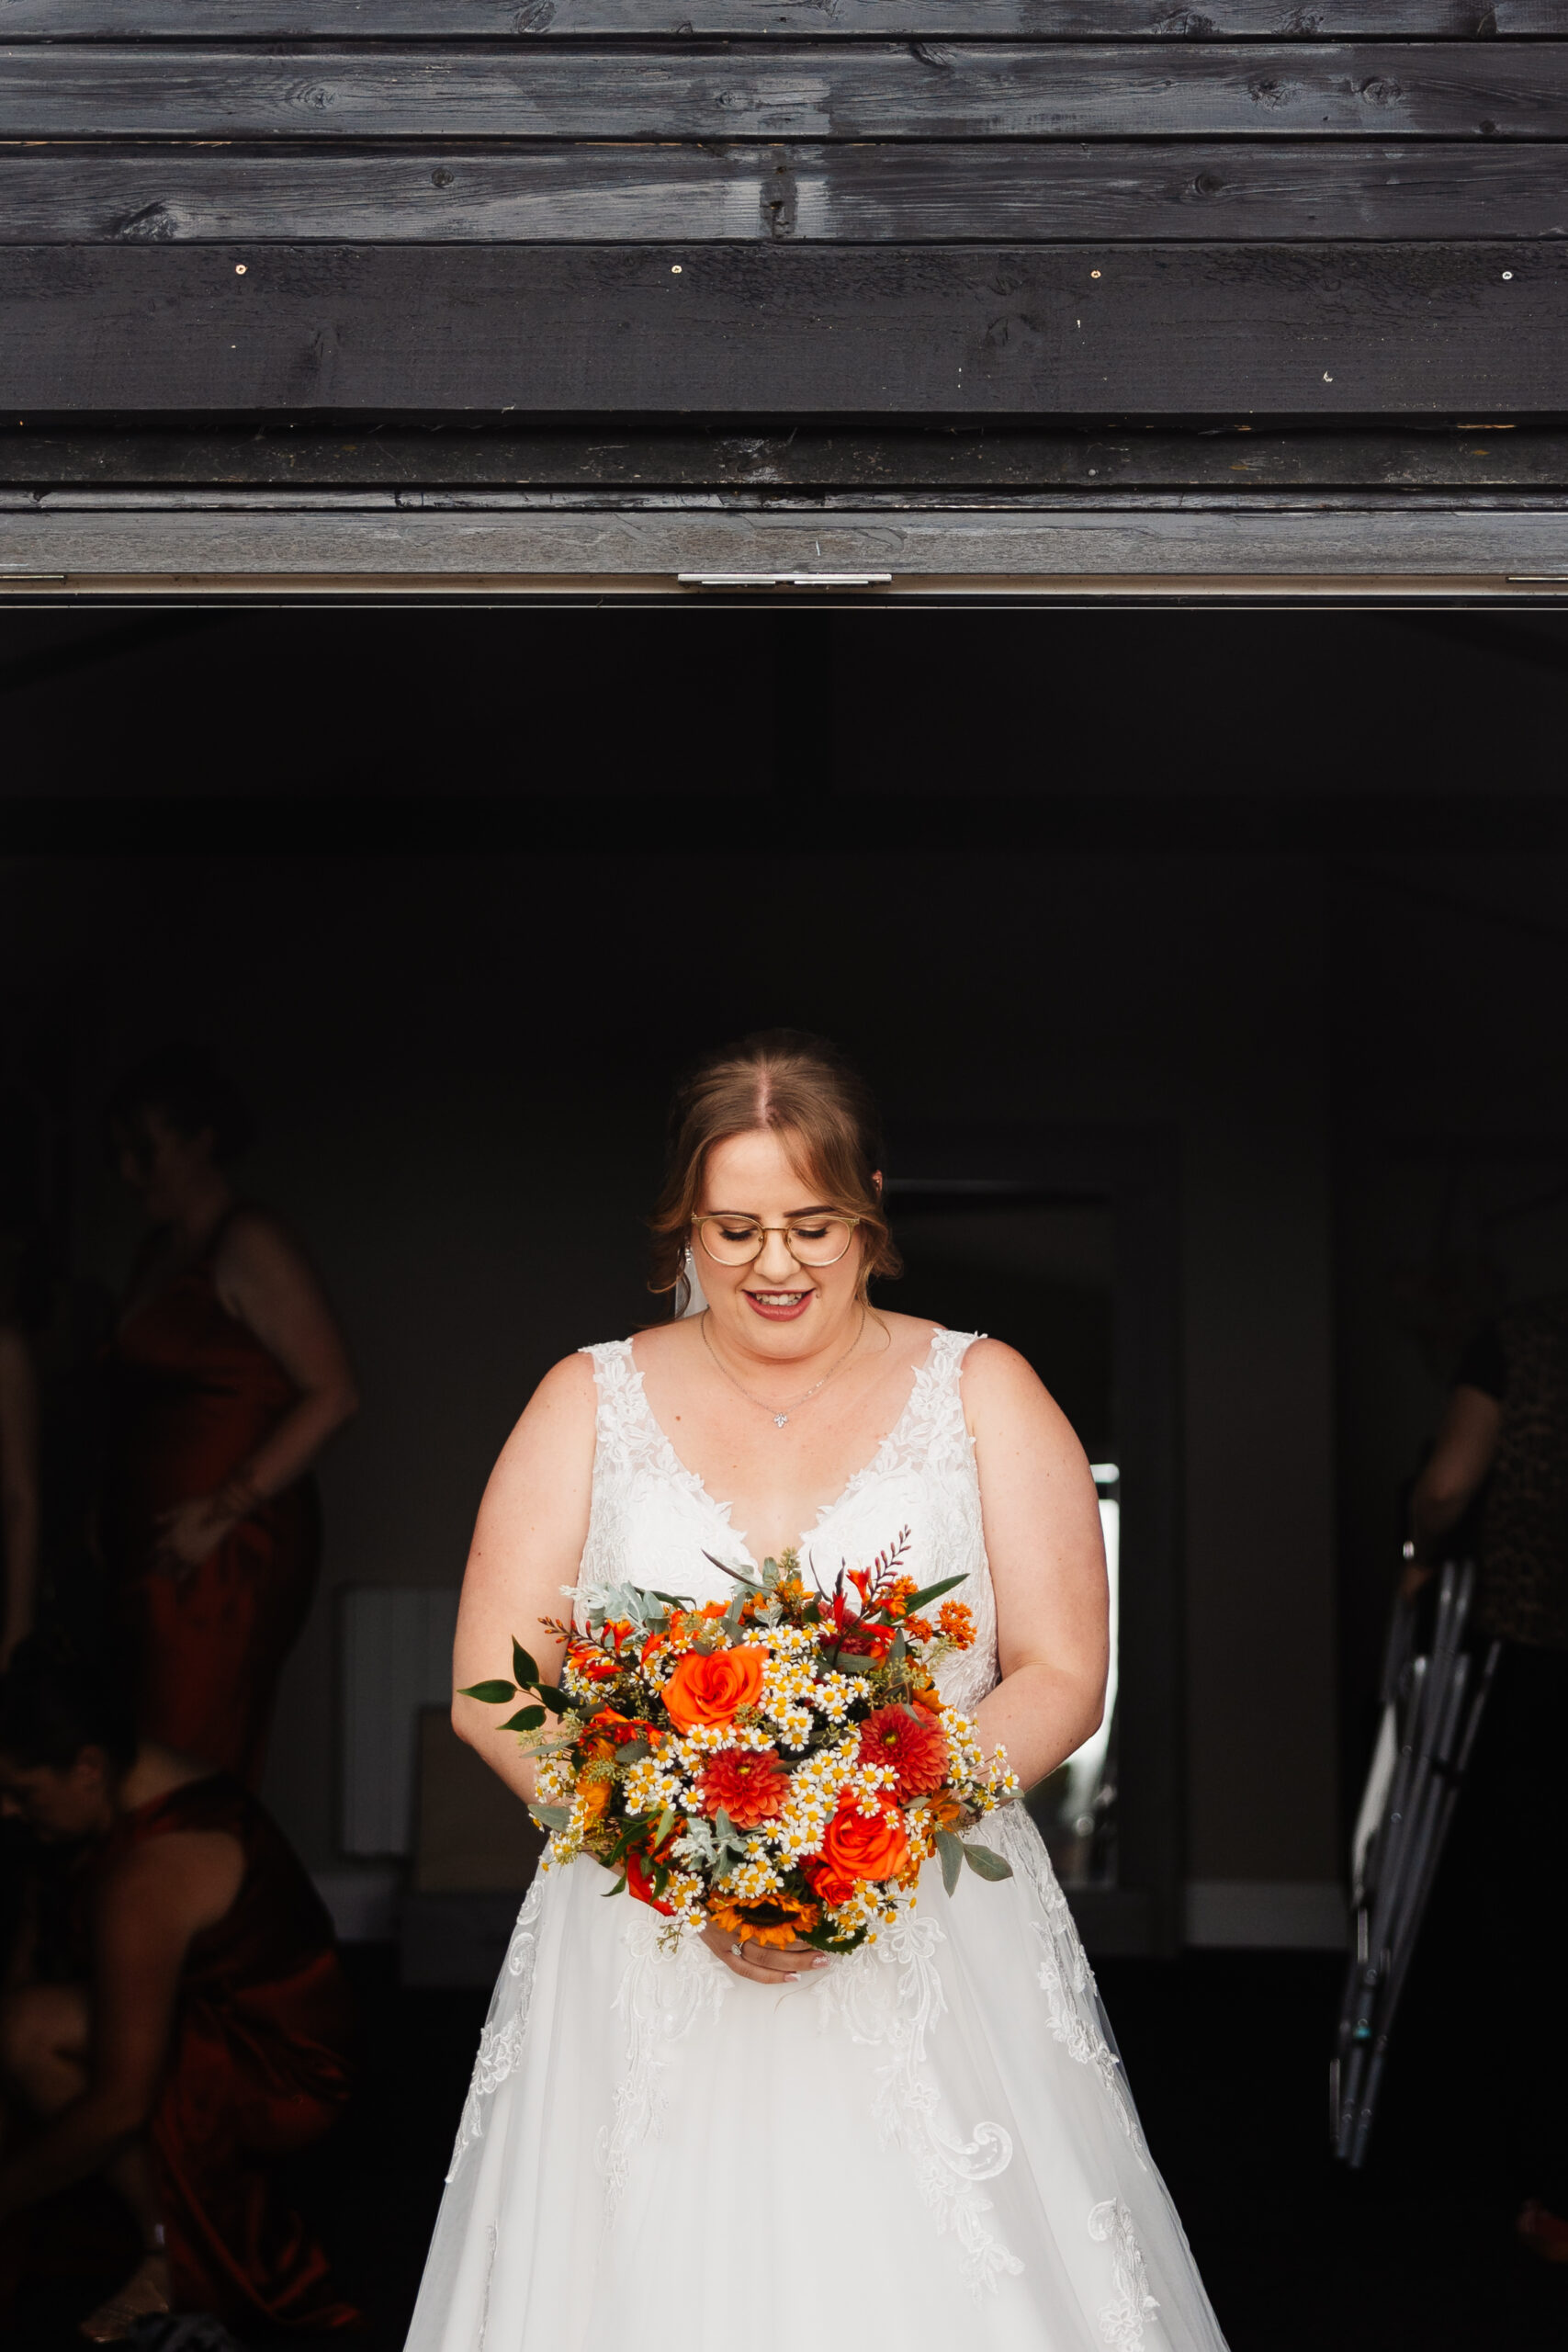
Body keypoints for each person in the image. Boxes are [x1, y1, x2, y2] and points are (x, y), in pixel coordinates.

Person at [407, 1030, 1229, 2352]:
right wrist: (680, 1850)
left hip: (921, 1926)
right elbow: (491, 1686)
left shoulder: (984, 1390)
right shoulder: (585, 1400)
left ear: (870, 1208)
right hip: (646, 1935)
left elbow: (1062, 1673)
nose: (773, 1265)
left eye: (810, 1224)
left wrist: (849, 1846)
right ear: (682, 1222)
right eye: (732, 1230)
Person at [0, 1641, 357, 2340]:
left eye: (21, 1792)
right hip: (265, 2018)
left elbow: (119, 2103)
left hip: (290, 2072)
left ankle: (169, 2251)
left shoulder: (149, 1876)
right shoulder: (144, 1772)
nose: (6, 1811)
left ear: (87, 1767)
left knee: (27, 2032)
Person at [102, 1049, 358, 1787]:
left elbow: (334, 1394)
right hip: (156, 1540)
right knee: (138, 1742)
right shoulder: (157, 1250)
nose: (128, 1172)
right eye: (118, 1153)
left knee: (187, 1754)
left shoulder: (250, 1242)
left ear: (200, 1140)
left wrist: (218, 1514)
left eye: (144, 1150)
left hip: (222, 1542)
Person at [1405, 1294, 1568, 2263]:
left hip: (1540, 1657)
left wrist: (1421, 1551)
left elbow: (1448, 1486)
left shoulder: (1526, 1336)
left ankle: (1554, 2198)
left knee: (1542, 1923)